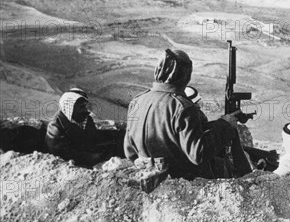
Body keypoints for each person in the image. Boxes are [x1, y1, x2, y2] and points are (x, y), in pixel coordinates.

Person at [123, 49, 248, 180]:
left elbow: (129, 151)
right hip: (178, 178)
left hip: (146, 172)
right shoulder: (183, 107)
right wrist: (224, 126)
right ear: (186, 75)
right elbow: (198, 154)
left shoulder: (137, 101)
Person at [45, 90, 111, 167]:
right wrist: (91, 157)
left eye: (86, 106)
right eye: (81, 107)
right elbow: (61, 154)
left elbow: (93, 139)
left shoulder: (86, 120)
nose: (86, 110)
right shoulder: (55, 127)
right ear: (69, 108)